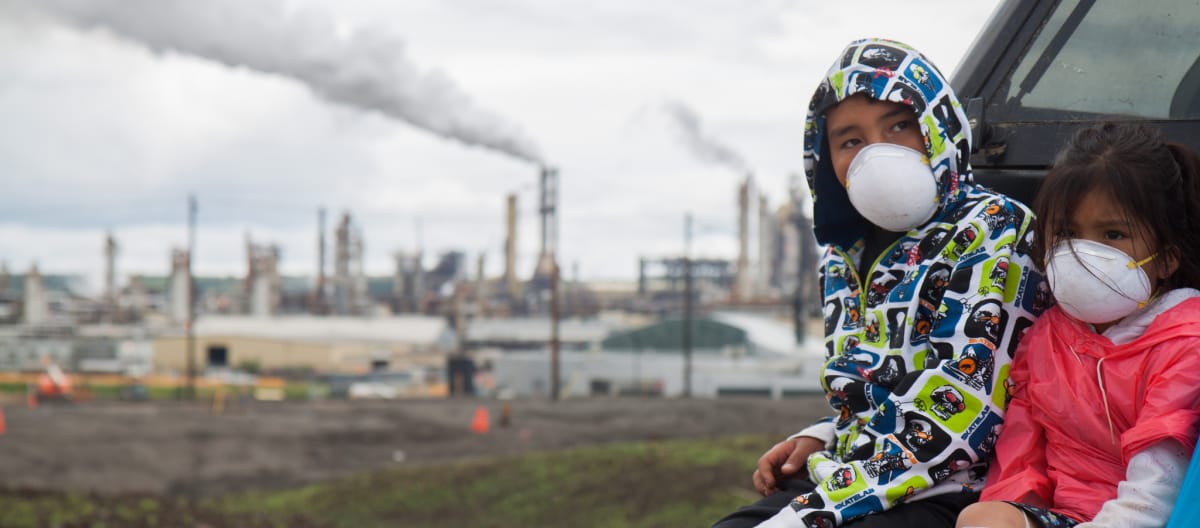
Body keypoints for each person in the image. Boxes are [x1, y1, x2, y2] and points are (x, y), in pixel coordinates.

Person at [712, 38, 1045, 528]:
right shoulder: (842, 256)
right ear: (827, 164)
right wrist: (826, 434)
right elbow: (877, 386)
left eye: (900, 125)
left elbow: (964, 415)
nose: (878, 152)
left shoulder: (995, 229)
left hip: (958, 486)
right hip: (855, 477)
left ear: (939, 127)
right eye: (851, 140)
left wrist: (810, 516)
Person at [954, 123, 1200, 528]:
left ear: (1166, 259)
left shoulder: (1184, 341)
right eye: (1067, 233)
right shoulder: (1046, 337)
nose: (1084, 255)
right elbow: (1021, 458)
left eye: (1113, 234)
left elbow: (1157, 487)